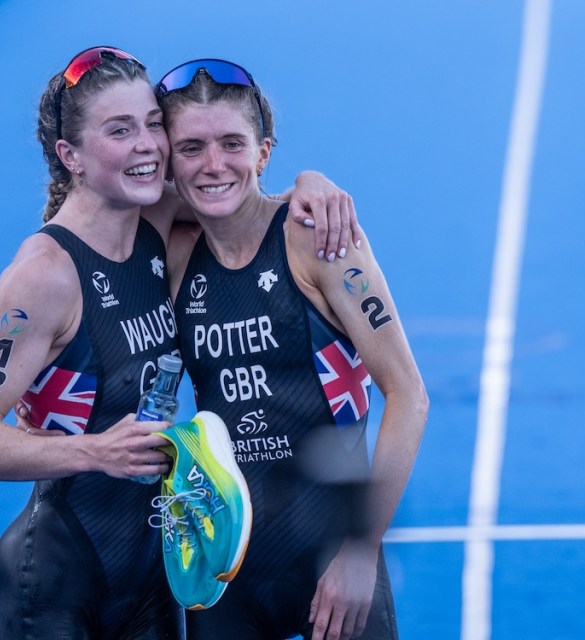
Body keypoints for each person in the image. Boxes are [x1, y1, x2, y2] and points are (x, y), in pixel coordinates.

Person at [0, 47, 360, 639]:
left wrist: (312, 184)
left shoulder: (156, 224)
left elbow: (235, 190)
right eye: (120, 130)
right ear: (71, 156)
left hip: (155, 577)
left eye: (152, 123)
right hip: (58, 581)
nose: (148, 146)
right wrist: (94, 452)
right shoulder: (44, 275)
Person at [156, 59, 428, 640]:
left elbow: (408, 395)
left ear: (264, 152)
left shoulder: (314, 238)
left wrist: (361, 552)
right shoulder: (173, 258)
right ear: (170, 163)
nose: (213, 164)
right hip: (225, 563)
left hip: (332, 550)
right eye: (192, 147)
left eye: (233, 143)